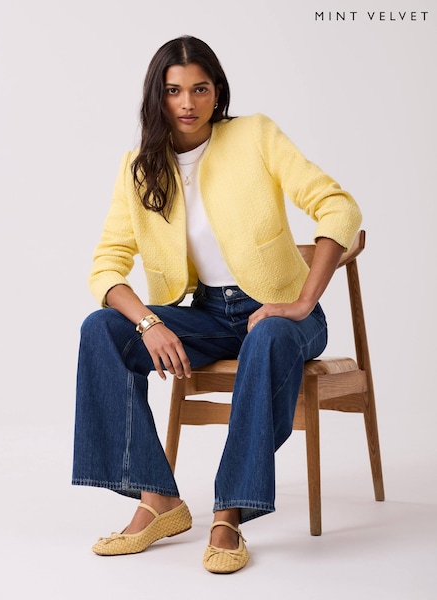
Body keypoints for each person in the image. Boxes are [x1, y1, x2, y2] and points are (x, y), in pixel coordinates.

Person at [72, 35, 362, 574]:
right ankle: (158, 499)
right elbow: (106, 266)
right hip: (207, 314)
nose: (187, 103)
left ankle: (229, 512)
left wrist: (302, 302)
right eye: (174, 91)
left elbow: (338, 208)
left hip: (279, 317)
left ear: (217, 91)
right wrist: (149, 322)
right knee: (101, 328)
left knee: (268, 335)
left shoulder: (254, 135)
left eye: (200, 89)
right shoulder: (140, 168)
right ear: (157, 96)